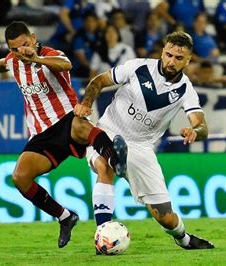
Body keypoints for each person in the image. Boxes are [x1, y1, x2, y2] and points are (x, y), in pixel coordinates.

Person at [0, 21, 127, 248]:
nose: (21, 51)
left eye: (25, 45)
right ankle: (65, 217)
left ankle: (115, 160)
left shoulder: (50, 55)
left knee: (81, 126)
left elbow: (66, 64)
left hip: (66, 119)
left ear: (34, 39)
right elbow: (2, 63)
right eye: (15, 49)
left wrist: (35, 58)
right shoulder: (12, 61)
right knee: (20, 178)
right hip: (41, 134)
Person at [74, 31, 215, 252]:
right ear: (163, 51)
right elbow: (99, 81)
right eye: (168, 54)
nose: (171, 61)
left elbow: (202, 124)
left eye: (179, 58)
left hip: (141, 147)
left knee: (166, 217)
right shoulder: (137, 67)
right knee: (104, 165)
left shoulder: (186, 90)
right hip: (108, 131)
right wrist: (86, 102)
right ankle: (104, 234)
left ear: (188, 60)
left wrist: (195, 131)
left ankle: (184, 239)